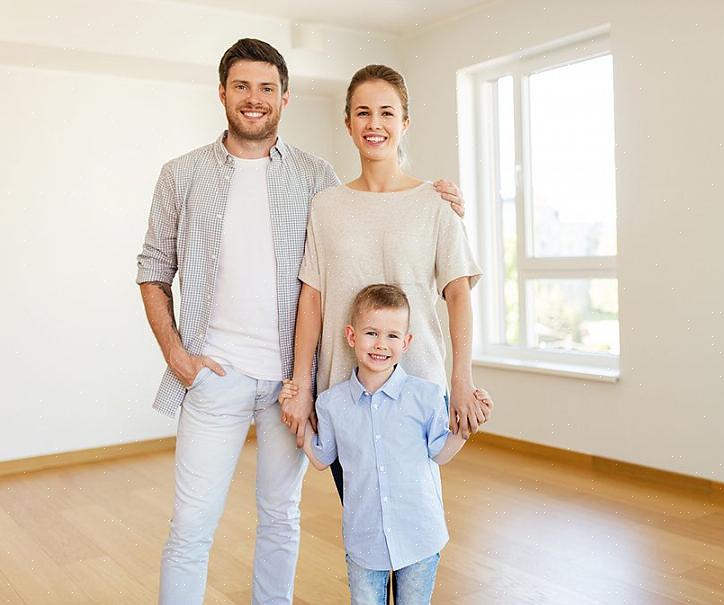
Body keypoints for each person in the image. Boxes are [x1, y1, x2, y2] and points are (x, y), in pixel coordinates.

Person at [136, 40, 467, 604]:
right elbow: (151, 269)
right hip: (214, 378)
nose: (254, 99)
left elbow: (377, 206)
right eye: (241, 86)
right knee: (190, 529)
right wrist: (176, 355)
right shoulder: (181, 174)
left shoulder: (316, 178)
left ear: (285, 98)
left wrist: (443, 197)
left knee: (281, 520)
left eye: (267, 88)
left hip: (292, 386)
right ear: (222, 93)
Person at [280, 66, 490, 491]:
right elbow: (313, 301)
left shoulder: (435, 203)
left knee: (412, 530)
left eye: (387, 113)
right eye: (363, 113)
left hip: (417, 391)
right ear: (348, 124)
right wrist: (302, 384)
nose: (374, 124)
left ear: (405, 123)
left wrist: (461, 377)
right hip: (343, 394)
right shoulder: (326, 207)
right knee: (364, 537)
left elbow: (458, 294)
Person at [280, 284, 492, 604]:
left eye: (393, 336)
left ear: (406, 343)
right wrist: (292, 412)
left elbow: (440, 453)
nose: (381, 344)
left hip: (420, 537)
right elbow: (322, 458)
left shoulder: (426, 396)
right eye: (371, 333)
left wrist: (465, 429)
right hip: (364, 543)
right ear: (351, 336)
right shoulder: (331, 404)